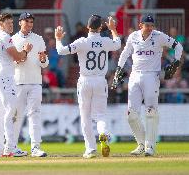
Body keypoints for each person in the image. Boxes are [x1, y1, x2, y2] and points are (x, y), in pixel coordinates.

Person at [111, 15, 183, 156]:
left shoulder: (159, 36)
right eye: (147, 25)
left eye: (151, 25)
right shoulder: (133, 36)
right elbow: (125, 53)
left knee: (151, 111)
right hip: (135, 75)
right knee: (131, 114)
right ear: (140, 25)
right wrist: (118, 70)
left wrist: (175, 63)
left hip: (152, 76)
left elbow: (178, 46)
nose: (150, 28)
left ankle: (151, 146)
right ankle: (141, 145)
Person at [55, 15, 121, 158]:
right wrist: (113, 30)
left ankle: (90, 149)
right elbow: (117, 44)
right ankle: (103, 133)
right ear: (100, 27)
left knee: (85, 117)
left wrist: (58, 39)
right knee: (101, 115)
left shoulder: (82, 41)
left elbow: (61, 51)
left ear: (87, 27)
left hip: (85, 80)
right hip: (100, 81)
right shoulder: (105, 41)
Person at [0, 13, 32, 157]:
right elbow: (18, 56)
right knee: (11, 111)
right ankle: (11, 147)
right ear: (0, 24)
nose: (10, 25)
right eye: (7, 23)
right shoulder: (5, 37)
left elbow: (8, 59)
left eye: (11, 22)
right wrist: (26, 50)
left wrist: (18, 58)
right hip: (4, 79)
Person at [12, 12, 49, 157]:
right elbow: (12, 63)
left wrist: (43, 59)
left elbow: (44, 64)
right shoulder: (13, 39)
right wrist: (24, 53)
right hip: (18, 82)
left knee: (35, 114)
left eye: (31, 22)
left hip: (35, 82)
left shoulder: (39, 39)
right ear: (20, 22)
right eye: (26, 21)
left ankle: (35, 147)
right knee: (17, 115)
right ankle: (12, 146)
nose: (29, 24)